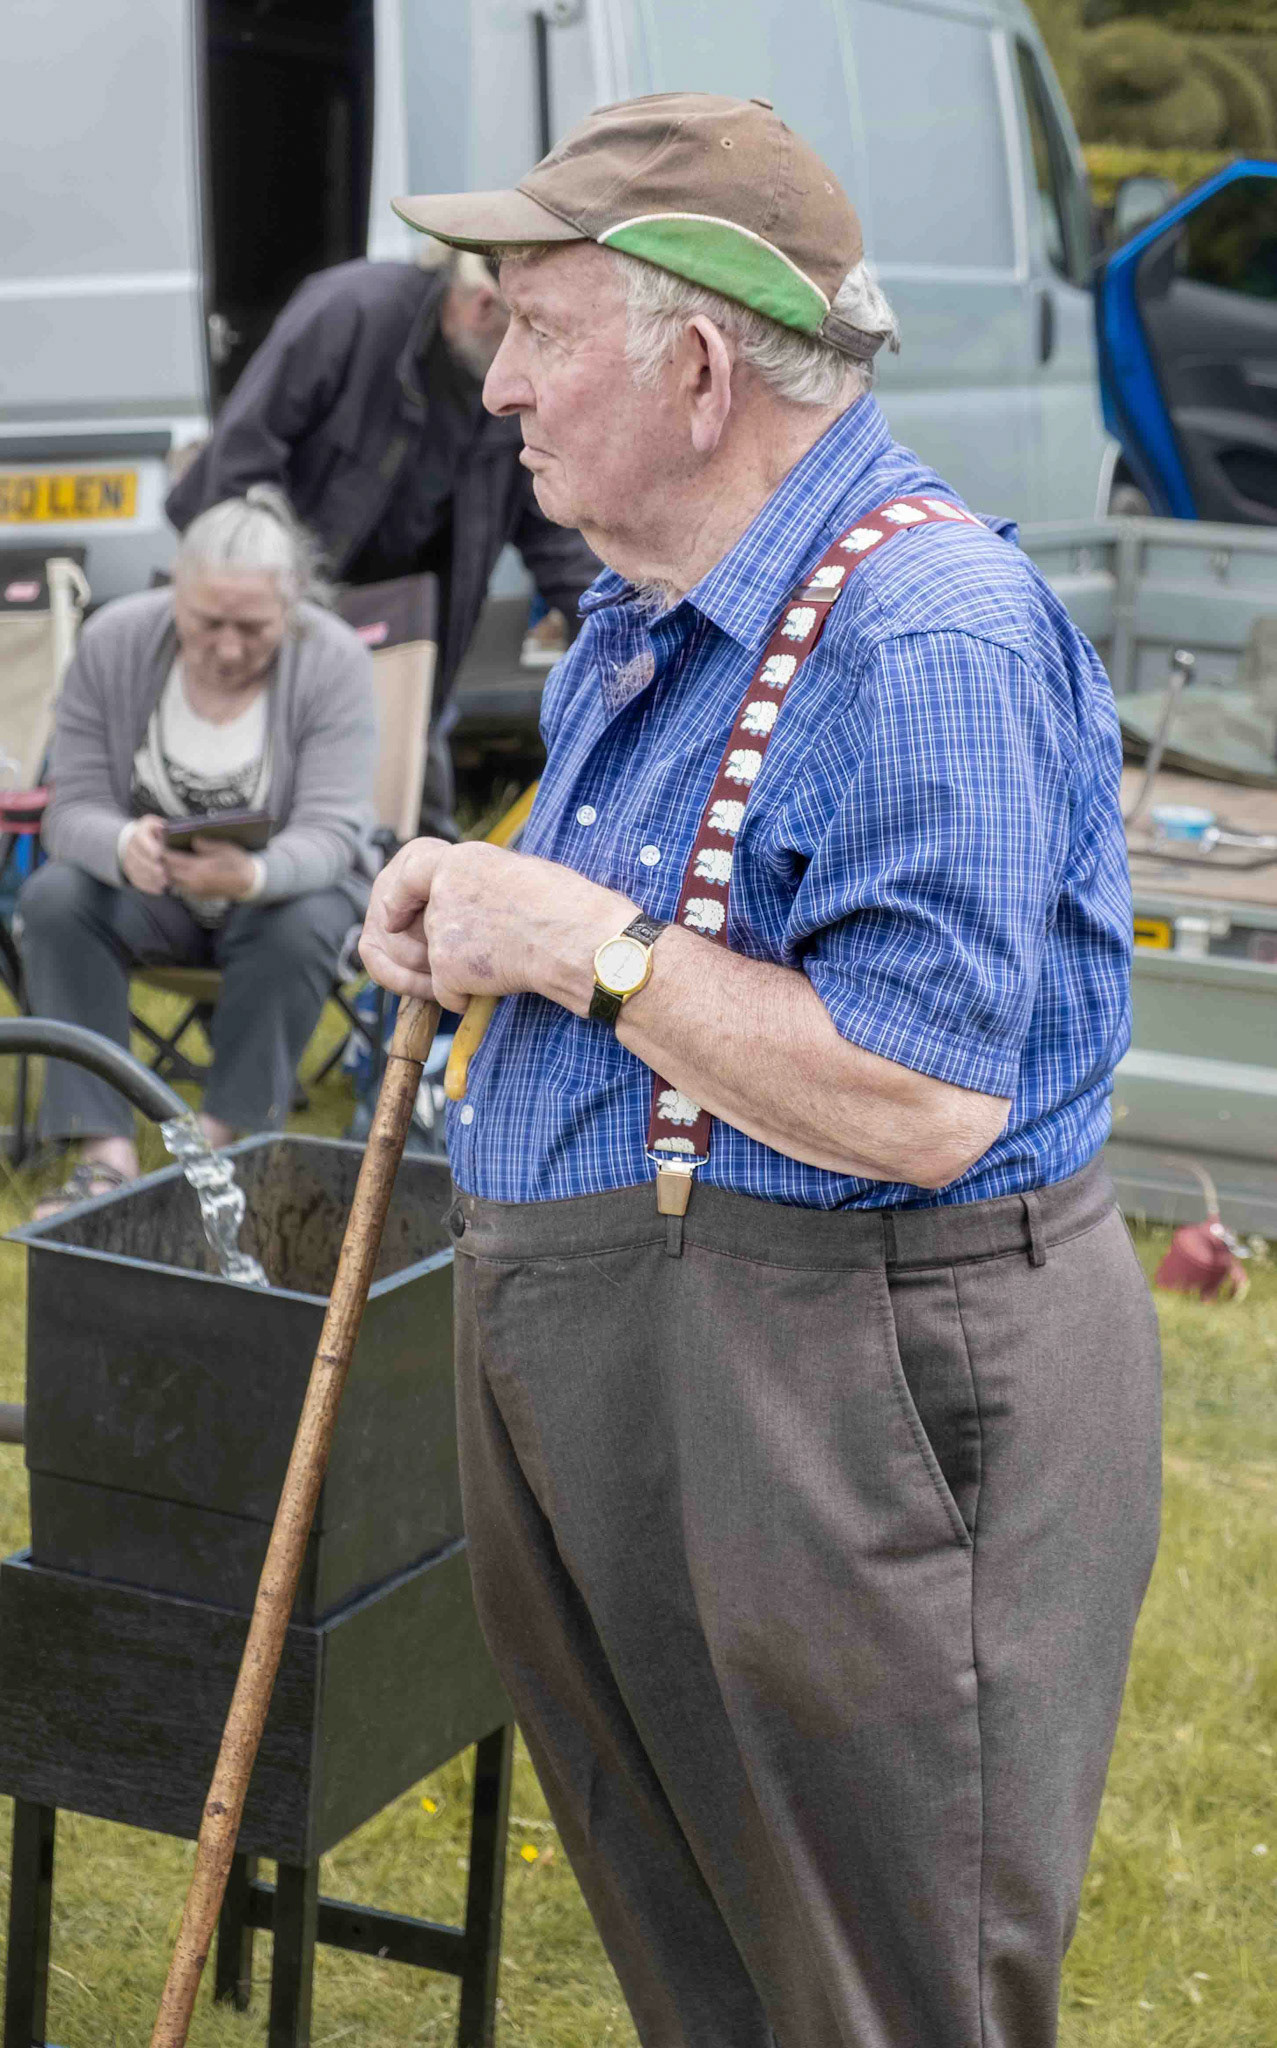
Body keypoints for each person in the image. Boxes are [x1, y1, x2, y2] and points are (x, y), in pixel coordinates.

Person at [360, 94, 1162, 2048]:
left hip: (859, 1413)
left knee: (878, 1998)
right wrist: (483, 912)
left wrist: (572, 938)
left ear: (698, 366)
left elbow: (914, 1097)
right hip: (664, 1374)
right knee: (718, 1970)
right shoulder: (639, 620)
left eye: (540, 331)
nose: (504, 392)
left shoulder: (921, 632)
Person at [20, 488, 377, 1212]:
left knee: (305, 915)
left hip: (278, 900)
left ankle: (221, 1151)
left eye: (253, 626)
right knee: (54, 897)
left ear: (291, 606)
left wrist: (252, 872)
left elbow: (335, 834)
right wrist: (123, 845)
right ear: (174, 593)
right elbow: (69, 809)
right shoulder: (115, 640)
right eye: (206, 621)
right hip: (155, 896)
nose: (227, 646)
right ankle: (104, 1154)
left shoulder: (333, 658)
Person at [166, 251, 599, 837]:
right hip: (290, 614)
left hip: (417, 641)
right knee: (279, 823)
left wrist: (614, 632)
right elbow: (237, 464)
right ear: (480, 306)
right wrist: (271, 607)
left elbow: (558, 545)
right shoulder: (348, 310)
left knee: (416, 827)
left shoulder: (504, 395)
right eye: (523, 331)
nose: (525, 364)